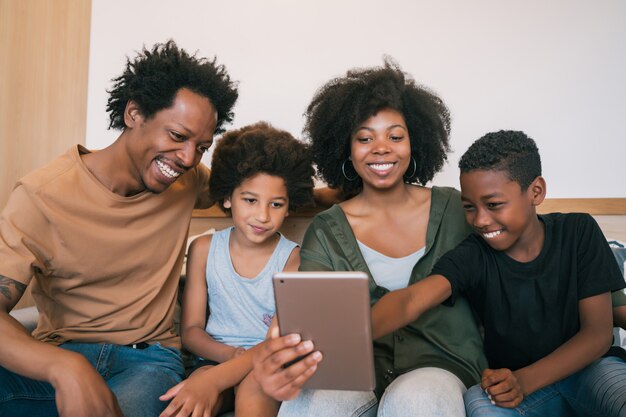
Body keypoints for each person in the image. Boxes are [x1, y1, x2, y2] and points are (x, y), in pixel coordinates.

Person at [0, 40, 238, 417]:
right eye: (177, 136)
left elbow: (259, 188)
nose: (189, 158)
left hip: (148, 362)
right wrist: (64, 367)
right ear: (133, 113)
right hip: (59, 356)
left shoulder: (187, 180)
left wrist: (350, 189)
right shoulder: (41, 196)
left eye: (202, 147)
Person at [253, 60, 488, 416]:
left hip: (441, 370)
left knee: (417, 400)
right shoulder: (328, 230)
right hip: (352, 376)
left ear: (416, 142)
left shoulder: (458, 209)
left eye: (395, 136)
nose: (381, 148)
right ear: (345, 148)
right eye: (365, 138)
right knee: (308, 405)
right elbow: (310, 321)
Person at [370, 130, 626, 416]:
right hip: (515, 391)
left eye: (494, 205)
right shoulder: (474, 254)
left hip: (590, 372)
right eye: (469, 207)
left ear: (536, 192)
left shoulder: (578, 231)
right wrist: (353, 333)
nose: (480, 220)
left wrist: (524, 381)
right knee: (480, 404)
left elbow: (598, 334)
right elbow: (412, 300)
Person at [174, 122, 315, 416]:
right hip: (213, 360)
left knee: (253, 389)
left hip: (269, 364)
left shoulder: (292, 260)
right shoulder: (203, 250)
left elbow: (277, 343)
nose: (262, 215)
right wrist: (229, 357)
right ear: (227, 197)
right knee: (190, 396)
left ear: (290, 207)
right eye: (250, 200)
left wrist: (242, 362)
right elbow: (190, 330)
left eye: (276, 204)